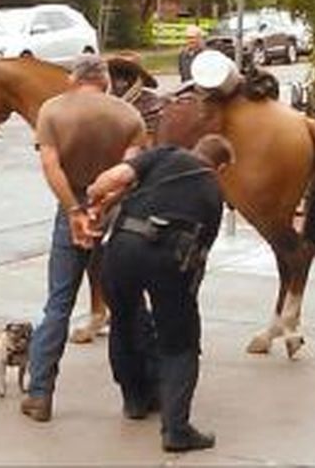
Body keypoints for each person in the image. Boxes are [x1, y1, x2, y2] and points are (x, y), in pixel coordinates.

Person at [20, 54, 147, 422]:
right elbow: (130, 172)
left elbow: (50, 164)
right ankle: (136, 396)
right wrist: (102, 205)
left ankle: (40, 394)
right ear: (105, 80)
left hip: (71, 206)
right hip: (116, 212)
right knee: (129, 305)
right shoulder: (128, 116)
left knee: (58, 303)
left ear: (73, 79)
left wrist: (75, 210)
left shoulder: (53, 111)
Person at [88, 135, 234, 452]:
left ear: (195, 150)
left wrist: (94, 196)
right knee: (180, 342)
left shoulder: (165, 155)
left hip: (123, 247)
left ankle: (135, 401)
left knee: (124, 321)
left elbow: (113, 179)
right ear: (220, 168)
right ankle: (176, 430)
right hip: (172, 259)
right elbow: (200, 253)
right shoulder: (214, 192)